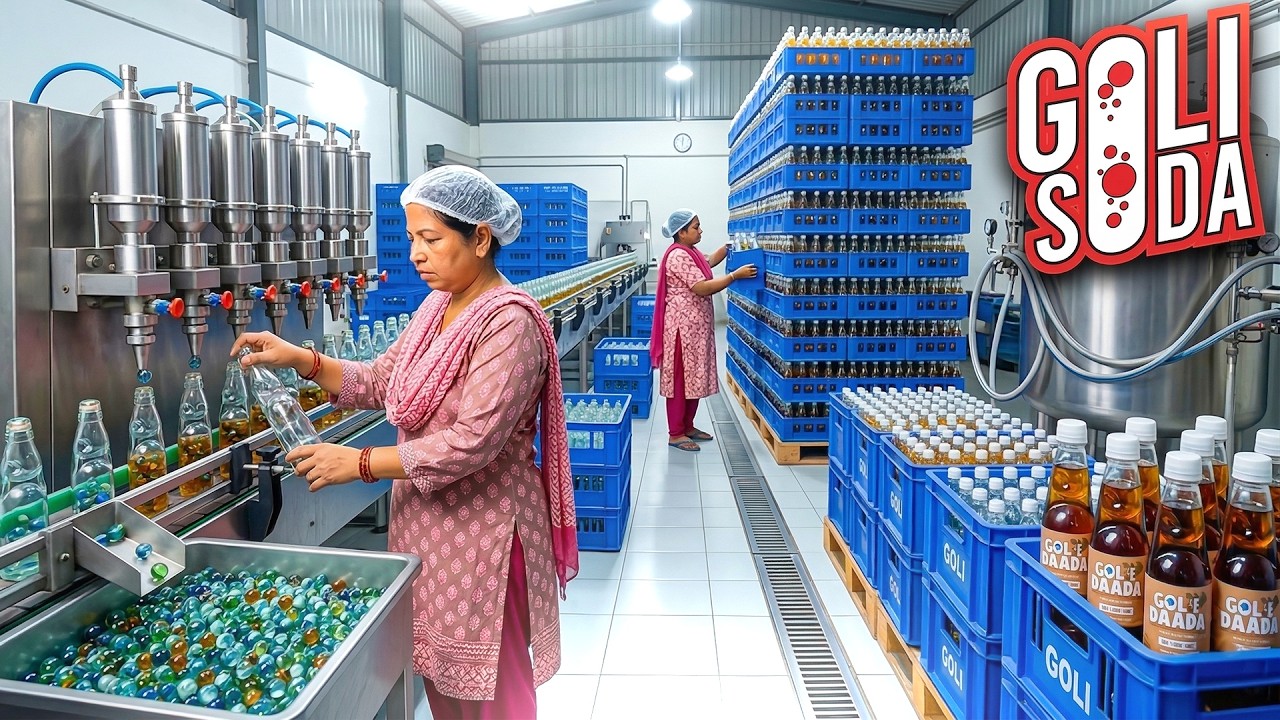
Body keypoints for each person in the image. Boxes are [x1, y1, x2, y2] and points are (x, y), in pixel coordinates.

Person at [230, 165, 578, 719]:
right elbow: (384, 381)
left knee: (491, 692)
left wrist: (361, 462)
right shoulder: (437, 308)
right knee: (444, 686)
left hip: (487, 534)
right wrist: (303, 359)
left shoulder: (508, 323)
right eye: (413, 237)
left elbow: (471, 442)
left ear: (481, 237)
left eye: (432, 239)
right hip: (431, 530)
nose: (416, 253)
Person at [651, 209, 757, 452]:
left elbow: (707, 262)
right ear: (682, 232)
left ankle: (688, 426)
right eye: (696, 227)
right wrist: (734, 276)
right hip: (681, 330)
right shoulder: (678, 256)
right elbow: (701, 287)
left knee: (694, 376)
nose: (700, 231)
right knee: (680, 380)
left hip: (695, 330)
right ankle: (675, 433)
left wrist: (729, 247)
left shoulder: (691, 253)